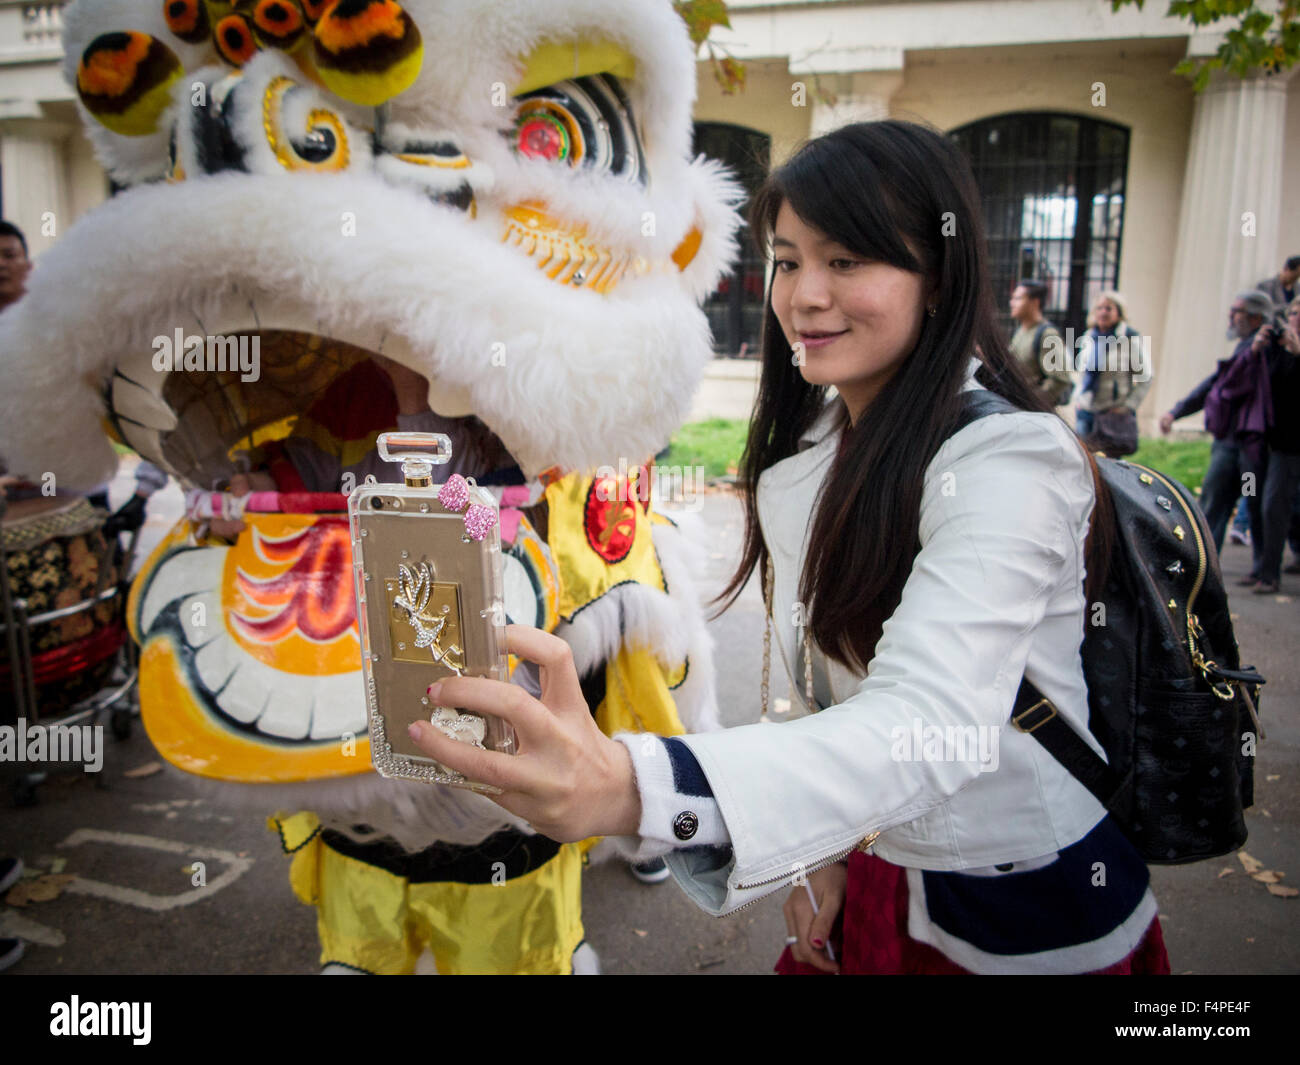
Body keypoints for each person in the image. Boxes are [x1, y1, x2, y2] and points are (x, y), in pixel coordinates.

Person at [404, 121, 1170, 975]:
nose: (805, 294)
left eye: (847, 261)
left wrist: (632, 785)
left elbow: (927, 723)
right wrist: (821, 854)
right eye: (789, 258)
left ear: (940, 277)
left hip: (1015, 896)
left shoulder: (1011, 462)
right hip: (865, 851)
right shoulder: (816, 439)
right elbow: (821, 691)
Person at [1159, 290, 1275, 580]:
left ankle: (1264, 570)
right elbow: (1215, 384)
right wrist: (1177, 412)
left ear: (1256, 317)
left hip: (1252, 447)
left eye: (1237, 311)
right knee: (1214, 503)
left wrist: (1257, 352)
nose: (1230, 316)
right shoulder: (1244, 349)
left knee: (1254, 501)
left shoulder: (1269, 351)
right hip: (1228, 444)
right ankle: (1205, 568)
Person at [1249, 295, 1300, 593]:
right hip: (1269, 442)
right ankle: (1265, 570)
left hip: (1291, 445)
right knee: (1262, 502)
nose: (1295, 317)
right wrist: (1257, 351)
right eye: (1292, 311)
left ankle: (1269, 574)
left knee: (1276, 505)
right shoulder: (1276, 350)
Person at [1074, 290, 1149, 454]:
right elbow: (1082, 373)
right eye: (1099, 308)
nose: (1103, 312)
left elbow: (1146, 377)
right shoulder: (1089, 337)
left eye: (1108, 308)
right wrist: (1078, 398)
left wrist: (1128, 406)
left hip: (1112, 414)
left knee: (1109, 466)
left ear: (1119, 313)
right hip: (1086, 410)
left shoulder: (1129, 339)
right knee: (1082, 460)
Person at [1008, 279, 1073, 406]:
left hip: (1031, 411)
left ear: (1034, 302)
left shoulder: (1047, 334)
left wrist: (1032, 403)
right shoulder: (1020, 331)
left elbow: (1060, 379)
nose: (1012, 303)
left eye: (1018, 298)